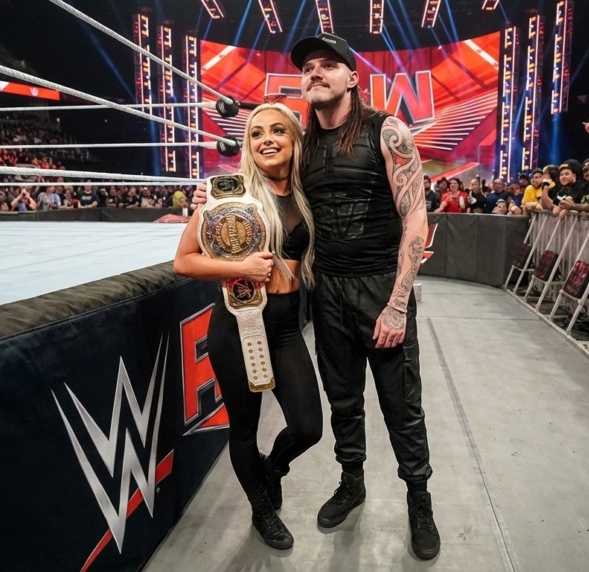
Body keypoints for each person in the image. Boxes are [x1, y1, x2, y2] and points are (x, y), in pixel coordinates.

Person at [290, 33, 438, 559]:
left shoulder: (386, 130)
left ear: (352, 78)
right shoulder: (302, 144)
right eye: (308, 67)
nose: (316, 72)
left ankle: (419, 501)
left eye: (328, 64)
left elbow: (415, 216)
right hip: (327, 290)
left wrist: (397, 303)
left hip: (380, 287)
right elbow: (268, 195)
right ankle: (352, 482)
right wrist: (209, 201)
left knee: (403, 407)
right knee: (343, 401)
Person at [174, 103, 322, 551]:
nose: (266, 140)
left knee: (308, 428)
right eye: (256, 134)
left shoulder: (310, 191)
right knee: (243, 428)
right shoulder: (228, 194)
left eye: (278, 130)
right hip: (237, 325)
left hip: (286, 325)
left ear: (295, 139)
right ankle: (261, 510)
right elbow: (184, 261)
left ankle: (271, 470)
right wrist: (239, 266)